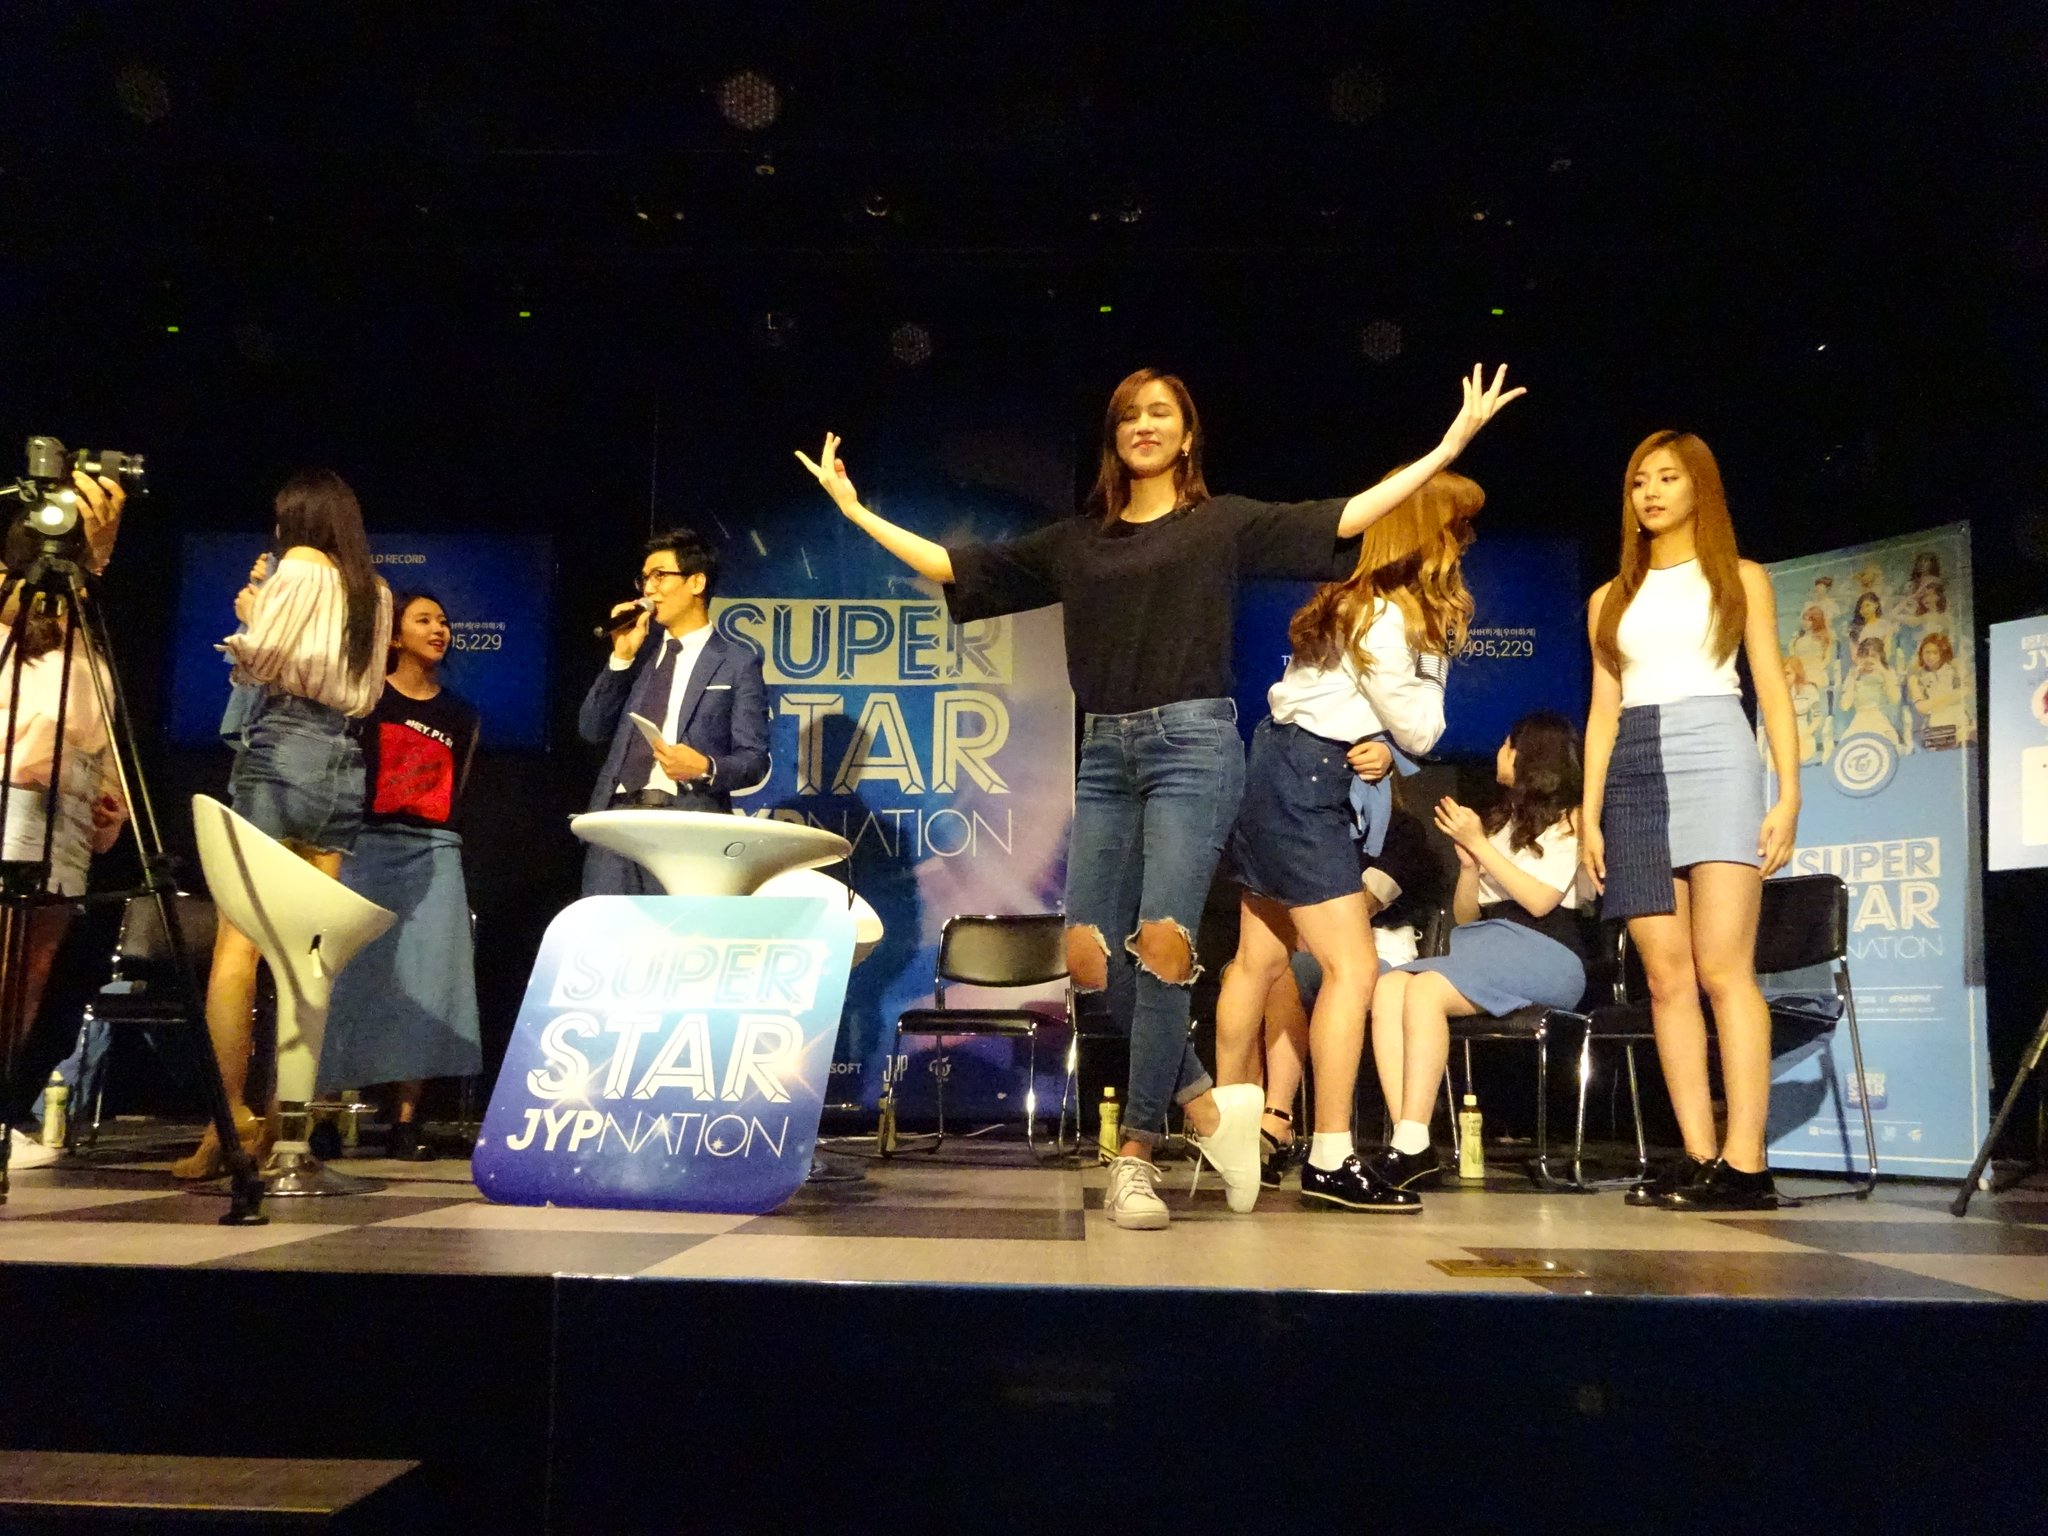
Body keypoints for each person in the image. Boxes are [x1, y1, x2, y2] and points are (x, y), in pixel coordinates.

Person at [797, 363, 1523, 1229]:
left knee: (1165, 947)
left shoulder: (1220, 523)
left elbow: (1345, 517)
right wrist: (855, 511)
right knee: (1089, 957)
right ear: (1114, 438)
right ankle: (1207, 1108)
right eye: (1130, 415)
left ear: (1185, 436)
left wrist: (1447, 446)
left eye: (1161, 413)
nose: (1145, 425)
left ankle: (1137, 1157)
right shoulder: (1080, 541)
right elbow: (957, 566)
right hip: (1105, 750)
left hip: (1195, 746)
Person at [1211, 469, 1480, 1212]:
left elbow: (1366, 722)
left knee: (1259, 960)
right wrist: (1435, 663)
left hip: (1276, 766)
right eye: (1457, 527)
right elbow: (1421, 730)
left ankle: (1228, 1133)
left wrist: (1380, 746)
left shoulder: (1350, 601)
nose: (1465, 543)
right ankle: (1329, 1156)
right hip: (1307, 783)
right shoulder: (1390, 619)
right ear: (1426, 536)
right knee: (1353, 968)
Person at [1580, 432, 1799, 1213]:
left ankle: (1747, 1162)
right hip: (1634, 767)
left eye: (1667, 478)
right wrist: (1589, 814)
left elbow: (1771, 688)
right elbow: (1602, 712)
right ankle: (1701, 1156)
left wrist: (1788, 796)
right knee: (1665, 977)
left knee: (1723, 970)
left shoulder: (1741, 578)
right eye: (1639, 480)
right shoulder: (1608, 599)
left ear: (1699, 487)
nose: (1651, 492)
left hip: (1717, 752)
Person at [173, 470, 392, 1180]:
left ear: (298, 520)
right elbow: (368, 689)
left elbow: (258, 662)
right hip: (343, 761)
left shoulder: (296, 565)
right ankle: (286, 1122)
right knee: (309, 952)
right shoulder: (375, 591)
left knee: (238, 945)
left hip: (282, 748)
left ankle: (227, 1122)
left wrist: (252, 614)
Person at [1368, 712, 1590, 1199]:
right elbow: (1467, 916)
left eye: (1506, 746)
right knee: (1389, 986)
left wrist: (1478, 847)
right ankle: (1410, 1141)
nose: (1498, 754)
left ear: (1530, 755)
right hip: (1487, 944)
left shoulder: (1572, 819)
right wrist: (1470, 868)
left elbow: (1540, 901)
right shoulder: (1501, 821)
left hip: (1547, 951)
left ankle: (1411, 1142)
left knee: (1425, 990)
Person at [316, 592, 482, 1160]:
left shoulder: (461, 714)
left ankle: (407, 1122)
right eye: (424, 620)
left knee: (428, 980)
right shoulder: (366, 701)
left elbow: (458, 791)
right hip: (365, 848)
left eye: (444, 621)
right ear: (393, 635)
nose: (438, 629)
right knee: (348, 979)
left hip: (433, 851)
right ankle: (324, 1116)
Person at [1256, 799, 1448, 1188]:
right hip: (1314, 949)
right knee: (1276, 976)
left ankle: (1390, 1145)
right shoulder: (1319, 825)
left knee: (1341, 975)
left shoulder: (1400, 830)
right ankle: (1274, 1121)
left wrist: (1313, 926)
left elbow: (1366, 902)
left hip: (1382, 953)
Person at [578, 527, 770, 895]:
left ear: (696, 582)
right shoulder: (639, 654)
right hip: (615, 828)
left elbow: (754, 760)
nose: (648, 590)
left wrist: (705, 767)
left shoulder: (736, 663)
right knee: (609, 930)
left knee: (679, 930)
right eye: (644, 579)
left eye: (660, 576)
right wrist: (621, 657)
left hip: (686, 828)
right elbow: (591, 729)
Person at [1906, 631, 1972, 750]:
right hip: (1935, 726)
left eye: (1935, 652)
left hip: (1959, 722)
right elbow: (1922, 708)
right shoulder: (1916, 677)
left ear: (1943, 653)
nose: (1930, 657)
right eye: (1927, 652)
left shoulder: (1954, 669)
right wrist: (1952, 697)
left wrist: (1933, 703)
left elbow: (1966, 691)